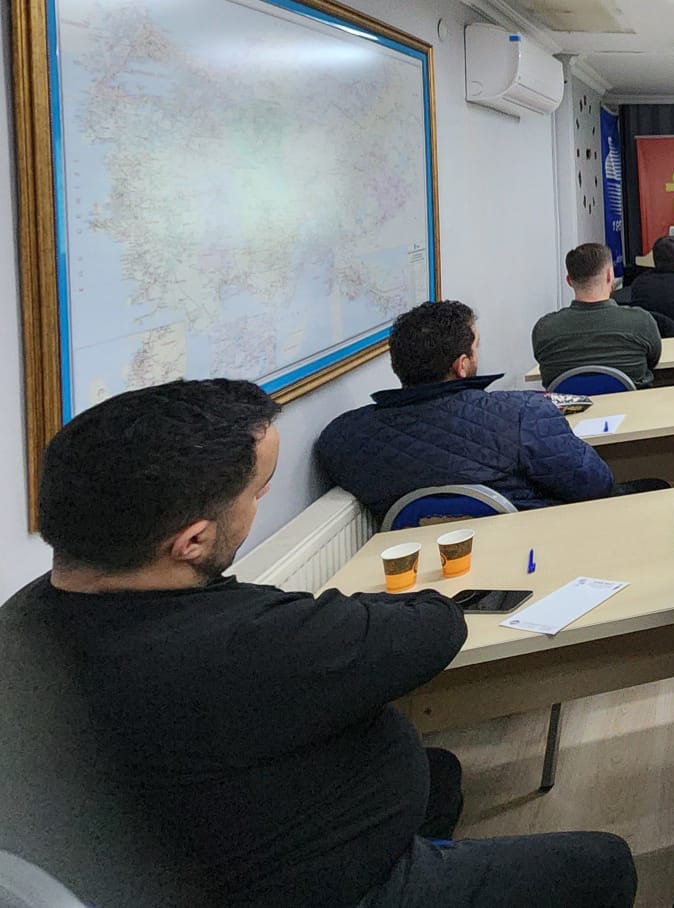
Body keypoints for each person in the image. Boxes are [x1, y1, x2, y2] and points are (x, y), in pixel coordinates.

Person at [13, 378, 637, 908]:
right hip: (332, 887)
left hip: (199, 850)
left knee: (441, 773)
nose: (260, 503)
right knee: (604, 862)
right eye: (257, 492)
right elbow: (435, 625)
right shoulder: (249, 643)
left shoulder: (24, 630)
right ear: (192, 541)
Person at [318, 300, 618, 521]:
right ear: (462, 365)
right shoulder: (524, 414)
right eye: (476, 347)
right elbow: (594, 484)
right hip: (532, 554)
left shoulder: (343, 437)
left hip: (422, 575)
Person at [531, 242, 662, 387]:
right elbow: (653, 361)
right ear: (609, 275)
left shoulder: (544, 329)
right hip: (629, 402)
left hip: (567, 403)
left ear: (569, 281)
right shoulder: (641, 321)